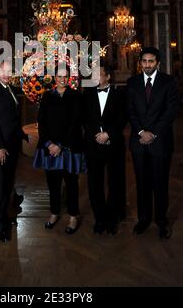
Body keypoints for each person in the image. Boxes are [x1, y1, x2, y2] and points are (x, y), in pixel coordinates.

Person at [127, 47, 179, 239]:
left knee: (160, 183)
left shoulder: (169, 81)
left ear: (157, 63)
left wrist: (153, 133)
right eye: (144, 61)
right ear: (140, 62)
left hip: (160, 142)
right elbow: (130, 111)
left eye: (151, 61)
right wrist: (142, 132)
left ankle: (161, 221)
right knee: (142, 183)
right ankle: (144, 219)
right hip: (139, 141)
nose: (147, 65)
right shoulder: (132, 83)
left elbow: (171, 111)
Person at [33, 65, 85, 234]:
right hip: (50, 148)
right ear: (54, 78)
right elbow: (42, 123)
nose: (62, 79)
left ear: (69, 78)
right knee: (53, 184)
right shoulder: (47, 96)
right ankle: (54, 213)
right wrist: (49, 144)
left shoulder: (76, 96)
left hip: (68, 148)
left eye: (65, 76)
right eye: (59, 76)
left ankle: (72, 215)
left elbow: (75, 123)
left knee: (71, 184)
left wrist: (61, 146)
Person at [0, 61, 29, 242]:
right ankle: (0, 226)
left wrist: (23, 135)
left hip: (11, 146)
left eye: (9, 71)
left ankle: (4, 215)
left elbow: (13, 119)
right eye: (3, 71)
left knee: (8, 184)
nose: (6, 74)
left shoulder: (10, 89)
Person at [82, 63, 127, 235]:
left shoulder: (119, 95)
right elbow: (84, 118)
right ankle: (99, 218)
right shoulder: (87, 95)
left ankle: (112, 218)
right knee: (94, 183)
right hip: (93, 145)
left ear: (107, 76)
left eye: (98, 74)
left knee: (115, 182)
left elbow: (123, 118)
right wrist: (96, 134)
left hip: (114, 144)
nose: (95, 77)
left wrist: (108, 134)